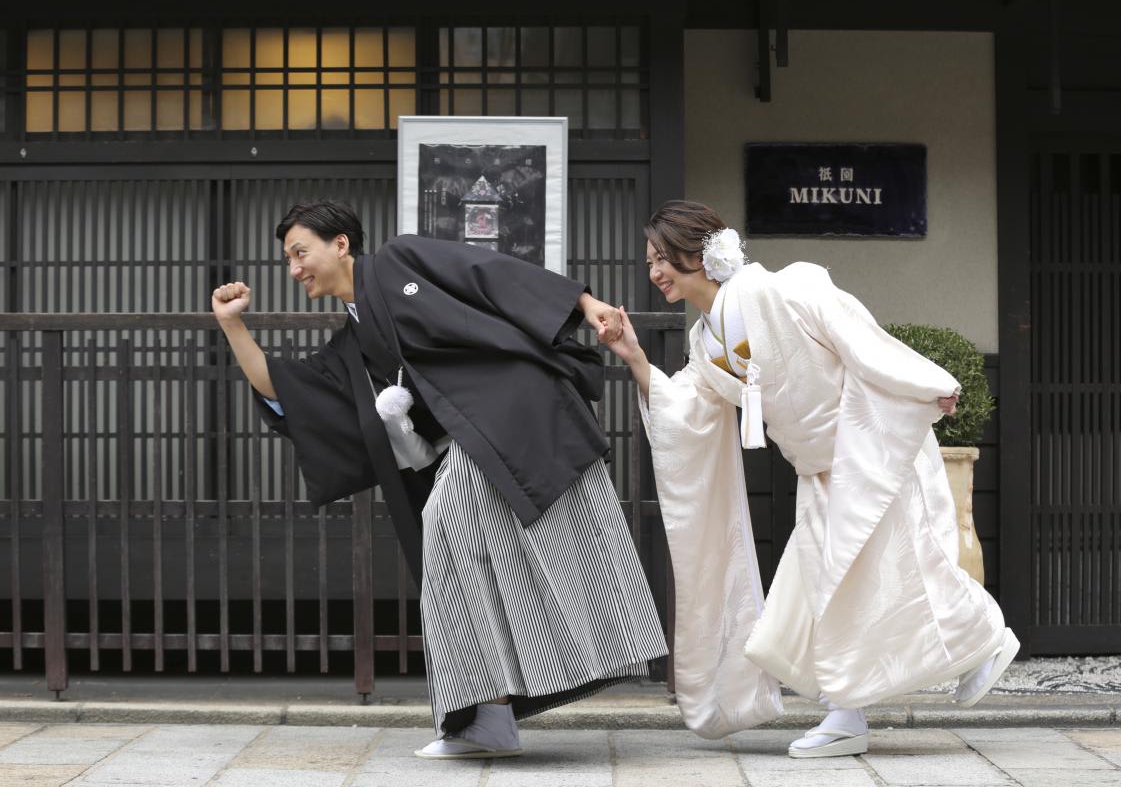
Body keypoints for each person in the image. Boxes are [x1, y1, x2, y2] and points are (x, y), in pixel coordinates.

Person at [211, 200, 667, 759]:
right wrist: (231, 324)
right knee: (461, 554)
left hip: (516, 406)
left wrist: (588, 304)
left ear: (341, 244)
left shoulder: (399, 260)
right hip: (478, 440)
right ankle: (489, 714)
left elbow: (490, 274)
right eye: (288, 259)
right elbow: (285, 389)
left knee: (445, 522)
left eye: (300, 252)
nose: (294, 268)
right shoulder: (351, 345)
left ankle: (487, 717)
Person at [602, 200, 1018, 757]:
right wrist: (633, 356)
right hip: (820, 470)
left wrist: (923, 383)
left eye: (662, 258)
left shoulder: (781, 288)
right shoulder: (705, 343)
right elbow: (687, 409)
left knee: (894, 575)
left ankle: (976, 644)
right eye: (650, 261)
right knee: (834, 591)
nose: (655, 272)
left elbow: (855, 332)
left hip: (869, 450)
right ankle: (862, 705)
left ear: (697, 254)